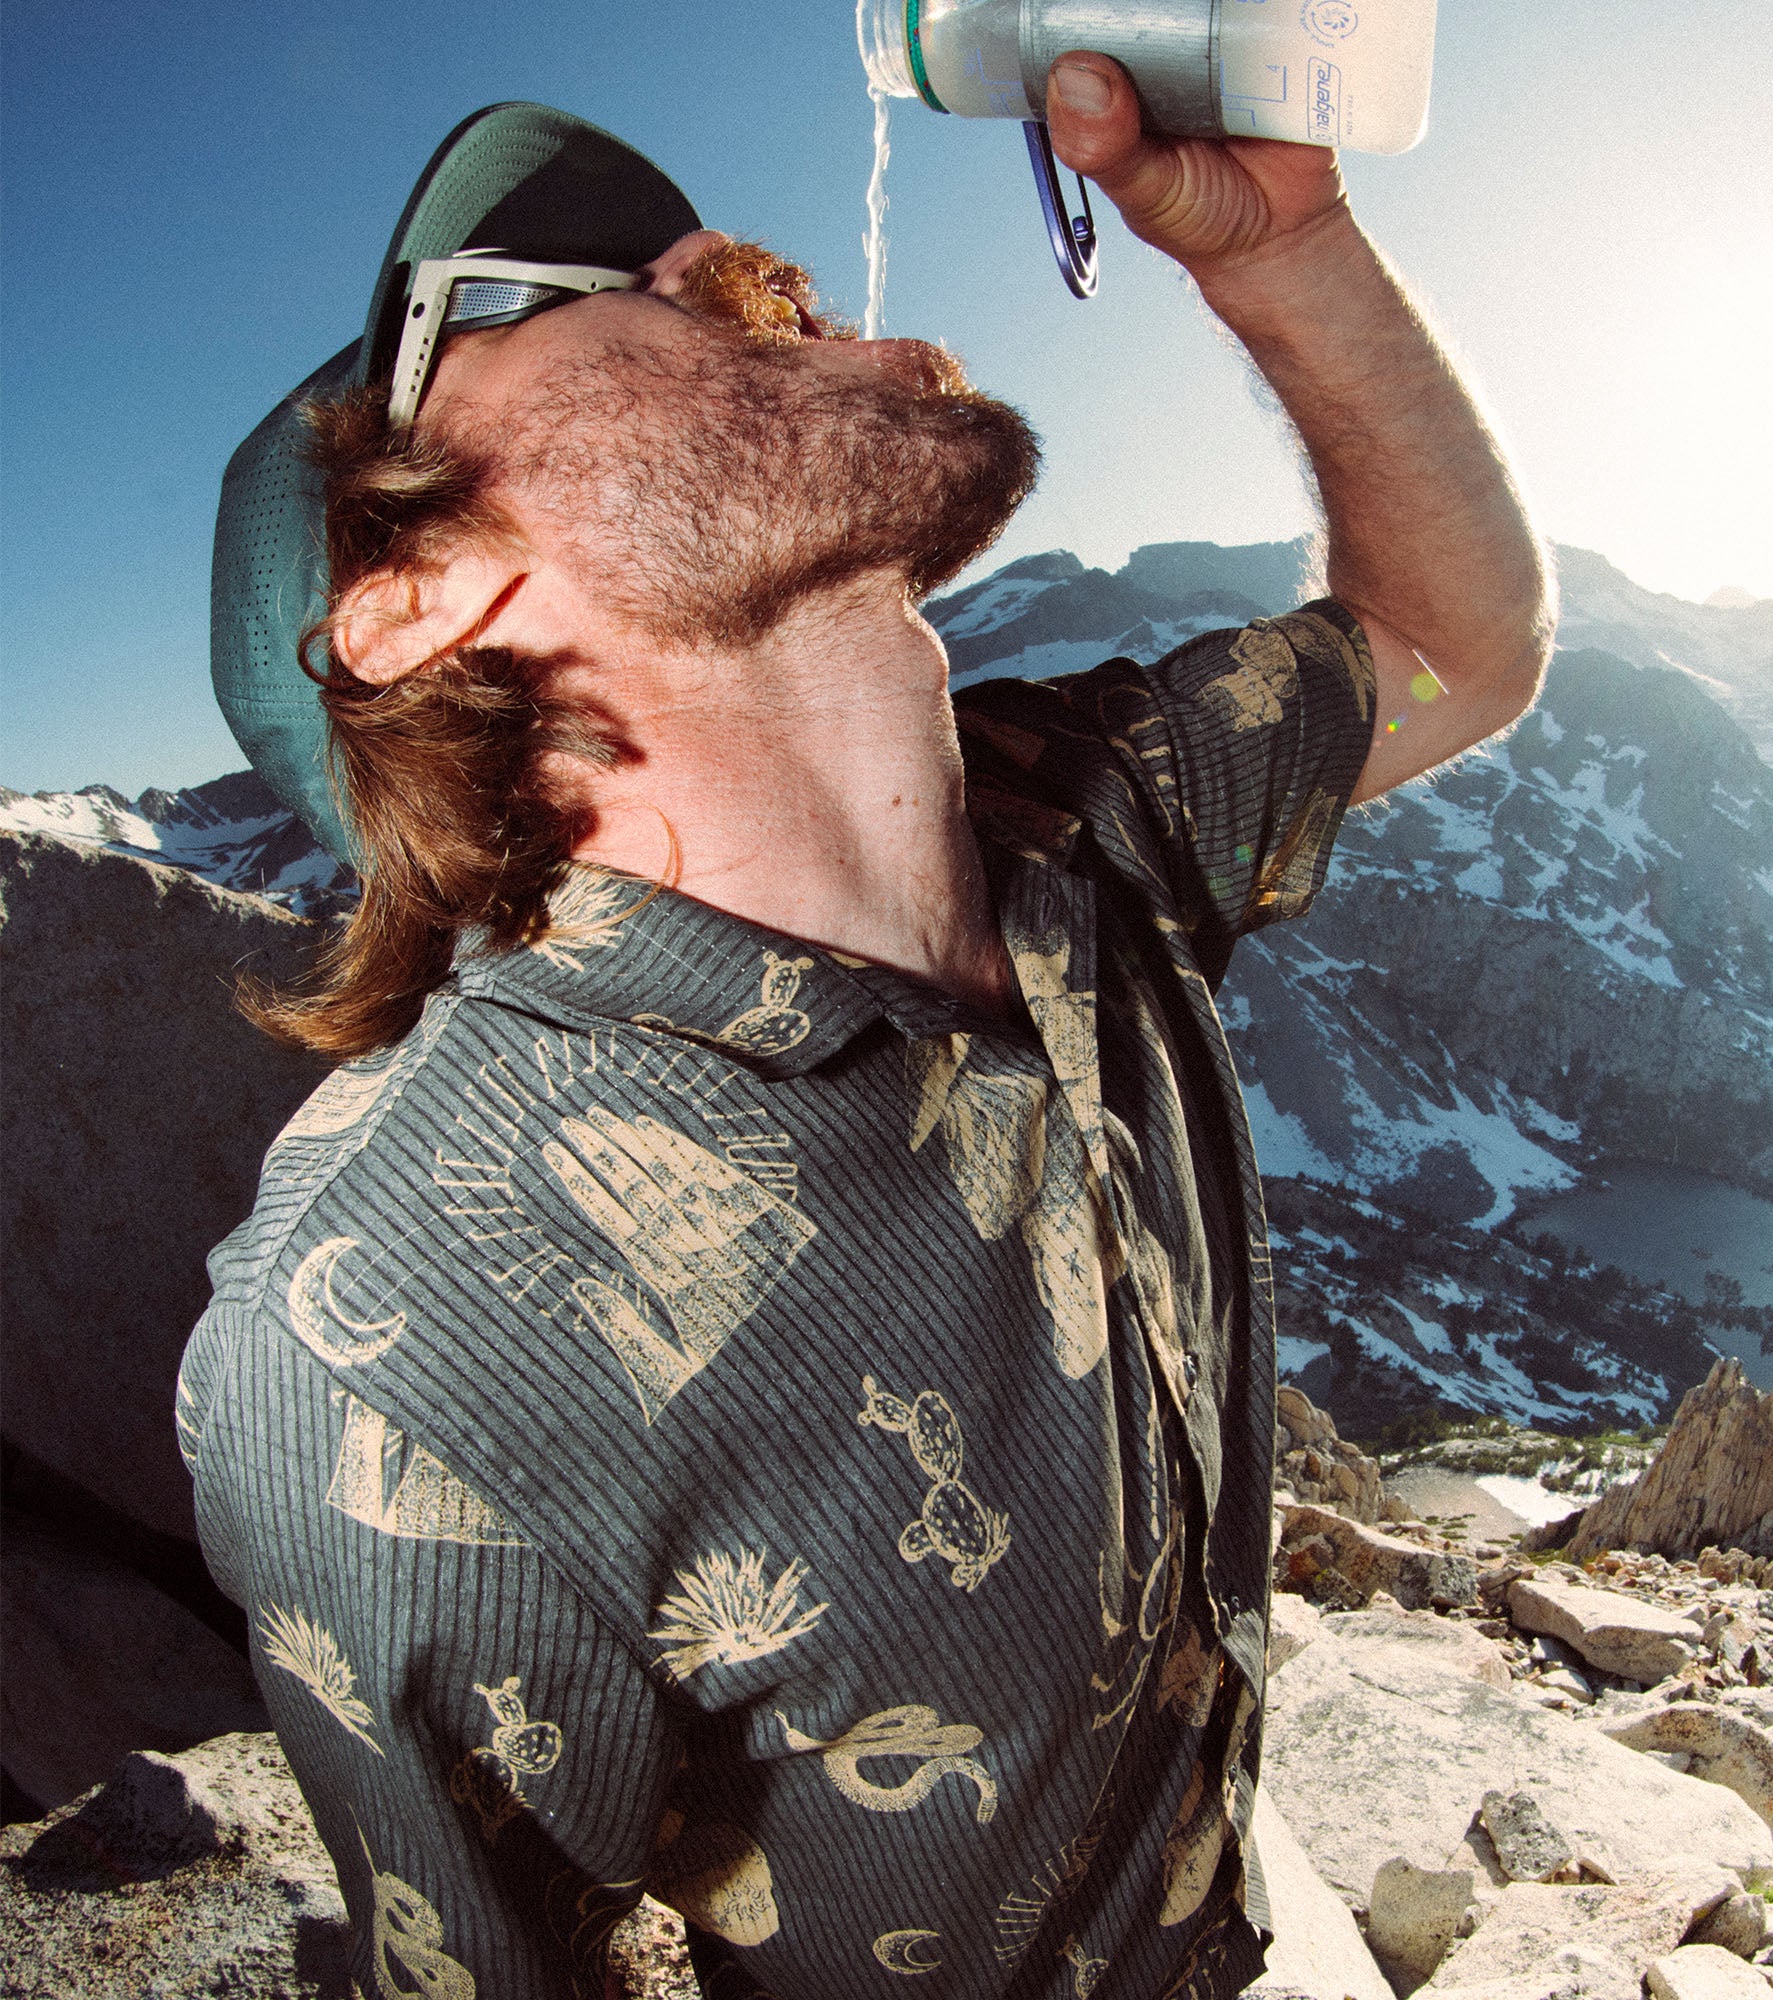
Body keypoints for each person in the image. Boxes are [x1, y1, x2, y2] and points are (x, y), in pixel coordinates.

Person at [181, 57, 1548, 2000]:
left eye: (761, 279)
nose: (761, 273)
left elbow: (1456, 647)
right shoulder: (394, 1333)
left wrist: (1291, 251)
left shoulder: (1092, 807)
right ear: (416, 596)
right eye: (593, 283)